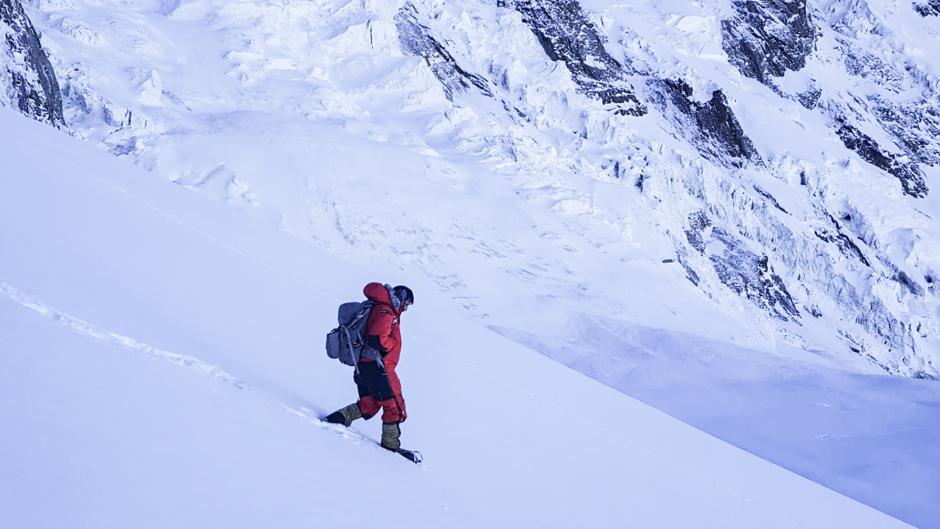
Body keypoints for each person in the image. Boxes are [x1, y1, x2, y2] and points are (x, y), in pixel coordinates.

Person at [325, 282, 414, 453]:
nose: (406, 308)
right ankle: (390, 447)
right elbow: (377, 339)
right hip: (379, 368)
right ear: (402, 297)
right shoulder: (386, 311)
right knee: (394, 407)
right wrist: (393, 343)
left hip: (364, 366)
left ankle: (338, 418)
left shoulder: (378, 307)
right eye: (407, 303)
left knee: (370, 403)